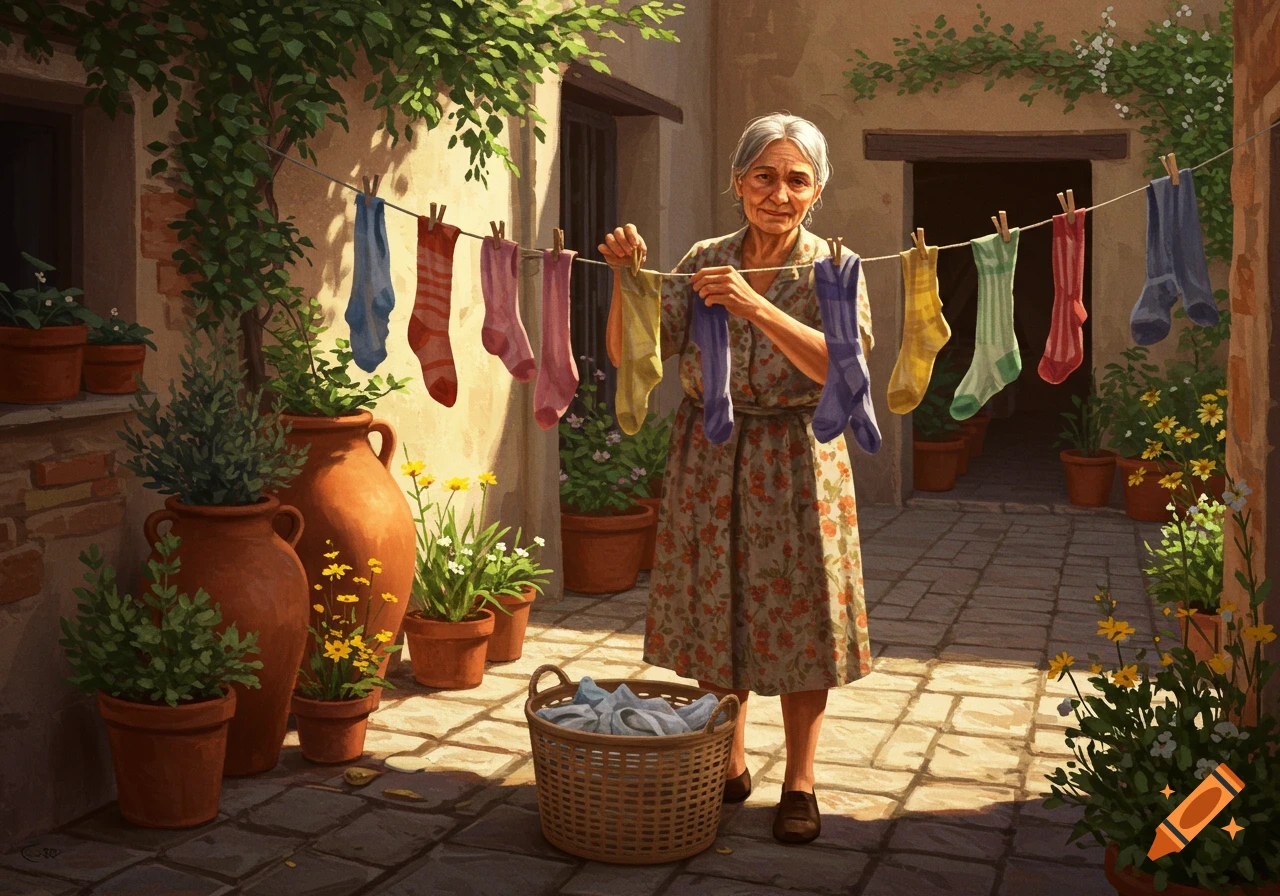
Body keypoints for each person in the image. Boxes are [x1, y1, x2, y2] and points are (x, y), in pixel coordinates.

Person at [598, 113, 873, 845]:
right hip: (712, 453)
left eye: (797, 179)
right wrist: (629, 280)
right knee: (716, 602)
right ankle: (730, 761)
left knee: (802, 611)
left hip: (798, 452)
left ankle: (802, 782)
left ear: (816, 191)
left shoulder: (834, 267)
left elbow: (843, 370)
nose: (779, 193)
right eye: (765, 175)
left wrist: (752, 304)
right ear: (738, 182)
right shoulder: (703, 257)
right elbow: (635, 350)